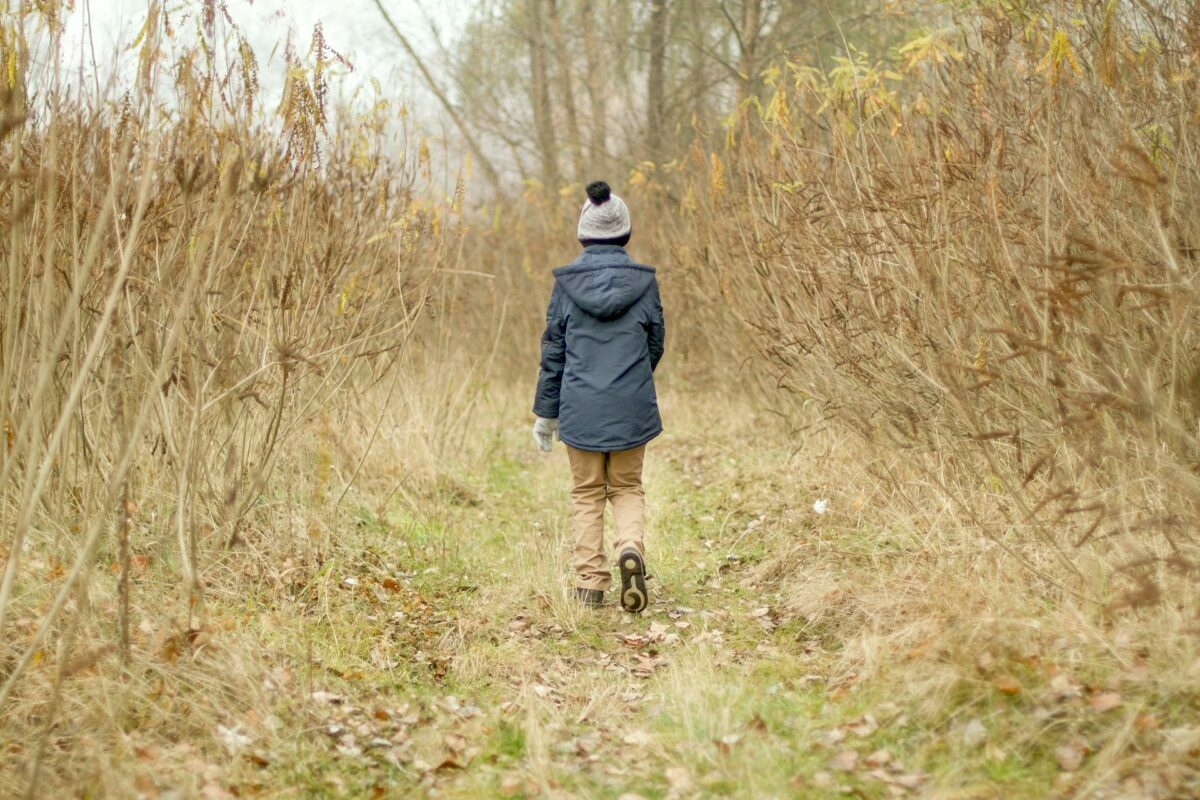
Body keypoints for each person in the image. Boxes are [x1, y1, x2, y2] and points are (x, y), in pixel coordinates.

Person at [531, 180, 666, 613]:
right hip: (631, 407)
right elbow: (655, 343)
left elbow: (554, 353)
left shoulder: (566, 287)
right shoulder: (644, 284)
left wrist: (546, 413)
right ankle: (630, 548)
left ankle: (590, 584)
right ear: (625, 232)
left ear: (583, 234)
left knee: (587, 492)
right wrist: (631, 381)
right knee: (626, 486)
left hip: (580, 406)